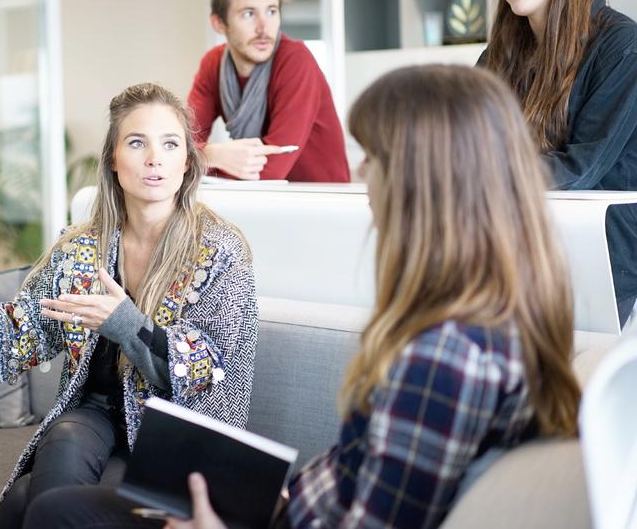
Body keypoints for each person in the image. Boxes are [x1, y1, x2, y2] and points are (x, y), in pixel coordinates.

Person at [34, 65, 582, 529]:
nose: (363, 174)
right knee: (44, 505)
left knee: (54, 514)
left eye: (374, 158)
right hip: (286, 506)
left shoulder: (444, 358)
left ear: (426, 181)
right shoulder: (488, 320)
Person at [0, 83, 258, 528]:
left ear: (187, 163)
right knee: (63, 438)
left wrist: (124, 323)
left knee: (26, 500)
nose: (155, 157)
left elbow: (206, 373)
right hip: (96, 416)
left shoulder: (220, 251)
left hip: (178, 435)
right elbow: (18, 333)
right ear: (114, 162)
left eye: (170, 144)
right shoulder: (82, 248)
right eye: (137, 143)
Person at [481, 0, 637, 328]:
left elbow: (581, 167)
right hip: (519, 243)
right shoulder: (499, 56)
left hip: (602, 255)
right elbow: (467, 140)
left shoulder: (622, 45)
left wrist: (479, 174)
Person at [187, 0, 349, 182]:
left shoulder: (295, 60)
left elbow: (270, 170)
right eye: (248, 14)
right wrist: (212, 154)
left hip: (319, 203)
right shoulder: (213, 64)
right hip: (260, 202)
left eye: (271, 11)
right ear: (219, 23)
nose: (264, 28)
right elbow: (179, 146)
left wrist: (200, 159)